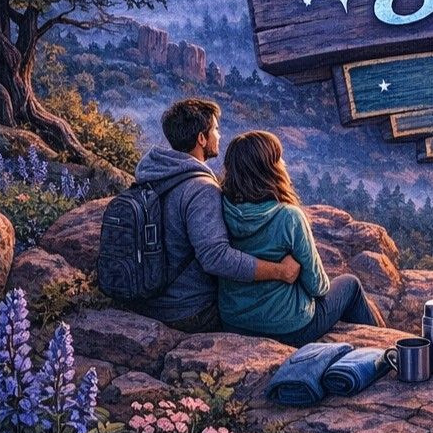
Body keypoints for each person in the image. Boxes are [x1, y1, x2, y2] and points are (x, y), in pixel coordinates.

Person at [133, 99, 301, 333]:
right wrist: (280, 271)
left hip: (145, 299)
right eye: (215, 129)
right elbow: (216, 257)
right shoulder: (201, 189)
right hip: (188, 311)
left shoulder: (154, 174)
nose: (219, 136)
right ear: (202, 138)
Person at [217, 130, 386, 346]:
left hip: (235, 323)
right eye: (278, 158)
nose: (284, 163)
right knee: (349, 284)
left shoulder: (221, 207)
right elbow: (319, 286)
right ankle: (380, 352)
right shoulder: (288, 216)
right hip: (289, 329)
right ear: (269, 169)